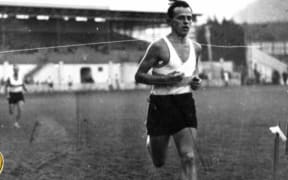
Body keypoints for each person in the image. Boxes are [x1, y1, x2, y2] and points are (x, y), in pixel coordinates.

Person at [135, 1, 201, 180]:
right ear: (170, 21)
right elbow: (139, 76)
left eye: (189, 18)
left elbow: (193, 72)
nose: (186, 22)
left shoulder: (196, 47)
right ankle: (150, 140)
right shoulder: (158, 46)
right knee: (159, 161)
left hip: (184, 103)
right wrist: (165, 80)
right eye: (181, 18)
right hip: (161, 105)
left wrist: (195, 81)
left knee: (188, 156)